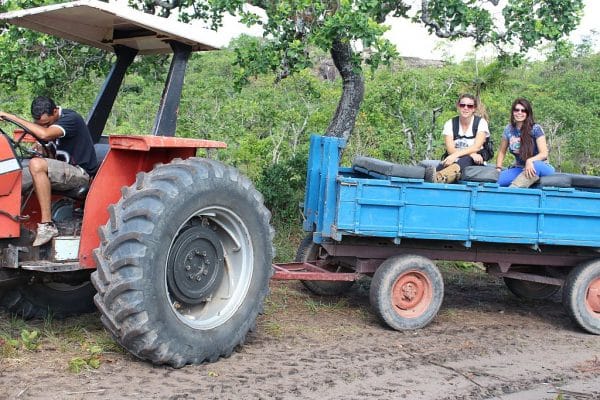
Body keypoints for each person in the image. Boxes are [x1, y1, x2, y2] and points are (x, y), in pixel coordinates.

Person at [0, 96, 98, 246]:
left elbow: (45, 134)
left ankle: (47, 225)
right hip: (62, 171)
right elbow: (50, 150)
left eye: (47, 123)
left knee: (37, 165)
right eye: (40, 124)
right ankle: (12, 226)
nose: (44, 127)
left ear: (55, 111)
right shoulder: (50, 124)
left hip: (80, 173)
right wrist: (41, 150)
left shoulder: (70, 118)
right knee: (12, 175)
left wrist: (11, 117)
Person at [425, 93, 490, 183]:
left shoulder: (481, 123)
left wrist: (458, 155)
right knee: (442, 165)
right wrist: (469, 154)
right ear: (458, 106)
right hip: (455, 159)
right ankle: (435, 176)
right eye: (462, 105)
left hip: (475, 161)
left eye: (469, 106)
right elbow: (450, 149)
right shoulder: (450, 124)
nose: (465, 108)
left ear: (474, 108)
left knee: (467, 159)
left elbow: (476, 147)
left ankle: (440, 177)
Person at [495, 98, 554, 187]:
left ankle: (513, 190)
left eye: (523, 110)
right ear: (513, 112)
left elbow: (544, 153)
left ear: (527, 113)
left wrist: (530, 161)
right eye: (516, 110)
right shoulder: (509, 129)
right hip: (520, 168)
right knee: (496, 181)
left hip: (541, 166)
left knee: (535, 165)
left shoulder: (535, 129)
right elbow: (502, 151)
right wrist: (498, 168)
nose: (519, 113)